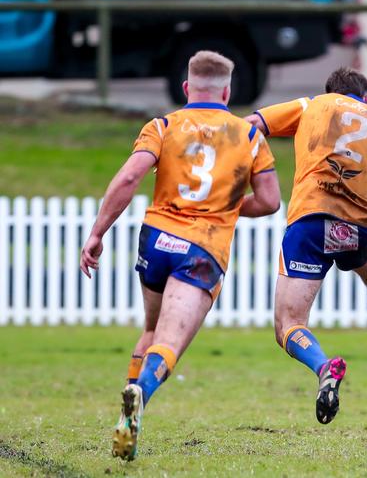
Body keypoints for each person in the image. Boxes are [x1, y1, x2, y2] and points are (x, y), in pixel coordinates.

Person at [79, 50, 281, 460]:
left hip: (156, 240)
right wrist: (228, 208)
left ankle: (127, 416)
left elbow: (131, 176)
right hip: (203, 248)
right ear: (228, 90)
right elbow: (271, 201)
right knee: (169, 344)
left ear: (188, 88)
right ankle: (139, 394)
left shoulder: (163, 126)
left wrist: (98, 232)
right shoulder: (248, 136)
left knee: (151, 329)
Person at [246, 67, 367, 425]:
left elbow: (251, 124)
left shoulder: (312, 105)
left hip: (310, 224)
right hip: (359, 230)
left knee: (288, 323)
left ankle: (323, 367)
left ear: (331, 91)